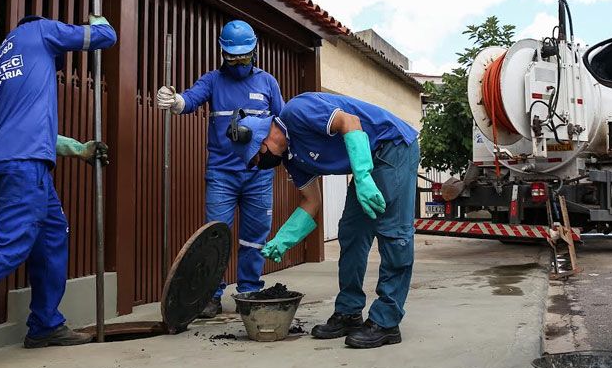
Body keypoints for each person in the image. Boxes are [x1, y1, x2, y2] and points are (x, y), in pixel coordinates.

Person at [0, 14, 117, 347]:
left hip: (13, 160)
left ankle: (45, 323)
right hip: (26, 165)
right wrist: (101, 22)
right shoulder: (39, 31)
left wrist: (79, 149)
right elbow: (105, 37)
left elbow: (28, 126)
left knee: (53, 232)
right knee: (8, 247)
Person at [227, 92, 419, 349]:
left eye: (259, 156)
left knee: (393, 234)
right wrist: (284, 238)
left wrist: (361, 177)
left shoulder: (297, 111)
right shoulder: (293, 161)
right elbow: (311, 202)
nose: (262, 164)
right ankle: (349, 312)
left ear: (264, 136)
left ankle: (387, 321)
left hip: (393, 146)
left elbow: (350, 122)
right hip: (370, 159)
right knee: (351, 233)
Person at [156, 20, 283, 318]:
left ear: (254, 51)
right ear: (222, 52)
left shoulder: (268, 82)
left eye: (244, 56)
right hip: (222, 174)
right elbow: (190, 99)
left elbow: (283, 122)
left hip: (259, 175)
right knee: (214, 236)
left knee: (254, 237)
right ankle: (210, 295)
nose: (238, 62)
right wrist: (175, 101)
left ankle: (249, 291)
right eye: (232, 56)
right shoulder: (213, 80)